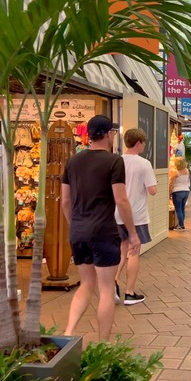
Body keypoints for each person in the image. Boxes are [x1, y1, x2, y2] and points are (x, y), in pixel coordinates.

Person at [61, 115, 140, 341]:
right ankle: (103, 343)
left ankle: (68, 332)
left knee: (86, 284)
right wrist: (133, 234)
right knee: (106, 289)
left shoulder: (73, 161)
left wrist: (74, 224)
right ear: (108, 134)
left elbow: (65, 201)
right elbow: (121, 200)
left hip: (78, 232)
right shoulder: (114, 161)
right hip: (103, 232)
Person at [114, 128, 157, 305]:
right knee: (134, 252)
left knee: (122, 252)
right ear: (138, 143)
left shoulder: (116, 161)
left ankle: (113, 281)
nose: (144, 146)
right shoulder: (144, 164)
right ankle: (129, 292)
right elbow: (152, 190)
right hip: (136, 215)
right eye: (143, 143)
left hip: (117, 213)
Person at [169, 156, 191, 231]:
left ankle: (181, 226)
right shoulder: (187, 171)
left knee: (178, 209)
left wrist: (169, 193)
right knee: (182, 208)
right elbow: (188, 181)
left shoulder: (175, 172)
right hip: (186, 191)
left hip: (177, 191)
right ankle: (181, 224)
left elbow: (171, 183)